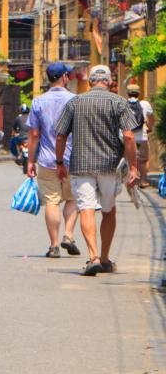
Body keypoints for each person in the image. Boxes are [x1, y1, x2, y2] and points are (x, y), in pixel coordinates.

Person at [53, 65, 139, 276]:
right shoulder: (119, 102)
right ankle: (106, 258)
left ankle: (93, 257)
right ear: (109, 82)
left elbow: (61, 136)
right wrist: (134, 167)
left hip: (81, 165)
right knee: (108, 210)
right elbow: (129, 136)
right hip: (110, 166)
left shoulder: (75, 102)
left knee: (86, 208)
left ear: (90, 82)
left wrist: (59, 163)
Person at [26, 62, 80, 259]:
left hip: (47, 159)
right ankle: (69, 235)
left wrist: (30, 161)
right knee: (73, 198)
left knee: (52, 201)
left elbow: (33, 134)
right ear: (65, 77)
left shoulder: (38, 102)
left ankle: (54, 245)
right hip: (73, 159)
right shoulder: (75, 100)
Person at [126, 83, 155, 185]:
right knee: (144, 159)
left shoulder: (122, 103)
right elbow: (151, 119)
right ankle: (143, 181)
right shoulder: (145, 104)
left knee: (129, 159)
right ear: (139, 93)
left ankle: (130, 179)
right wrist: (150, 128)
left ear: (127, 93)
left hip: (127, 137)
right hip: (142, 137)